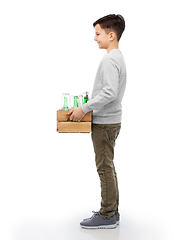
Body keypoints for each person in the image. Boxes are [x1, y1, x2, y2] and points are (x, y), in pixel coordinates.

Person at [67, 14, 126, 229]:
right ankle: (113, 211)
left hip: (105, 123)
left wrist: (83, 108)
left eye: (98, 33)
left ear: (111, 35)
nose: (95, 38)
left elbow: (109, 93)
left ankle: (107, 215)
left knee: (104, 168)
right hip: (111, 121)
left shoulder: (110, 59)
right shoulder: (117, 57)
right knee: (108, 166)